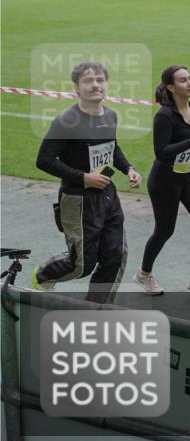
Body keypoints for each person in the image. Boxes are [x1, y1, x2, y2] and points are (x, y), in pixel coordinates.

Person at [32, 61, 142, 304]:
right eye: (88, 80)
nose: (95, 85)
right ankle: (43, 274)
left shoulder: (110, 115)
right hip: (78, 200)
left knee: (115, 256)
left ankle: (97, 308)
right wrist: (84, 178)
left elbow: (112, 147)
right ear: (76, 88)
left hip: (108, 196)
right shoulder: (66, 121)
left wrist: (128, 168)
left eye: (100, 80)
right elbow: (44, 160)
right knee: (82, 264)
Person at [134, 65, 190, 297]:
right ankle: (143, 274)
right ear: (171, 87)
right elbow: (161, 152)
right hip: (164, 183)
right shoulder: (164, 116)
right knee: (164, 231)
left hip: (188, 177)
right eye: (183, 80)